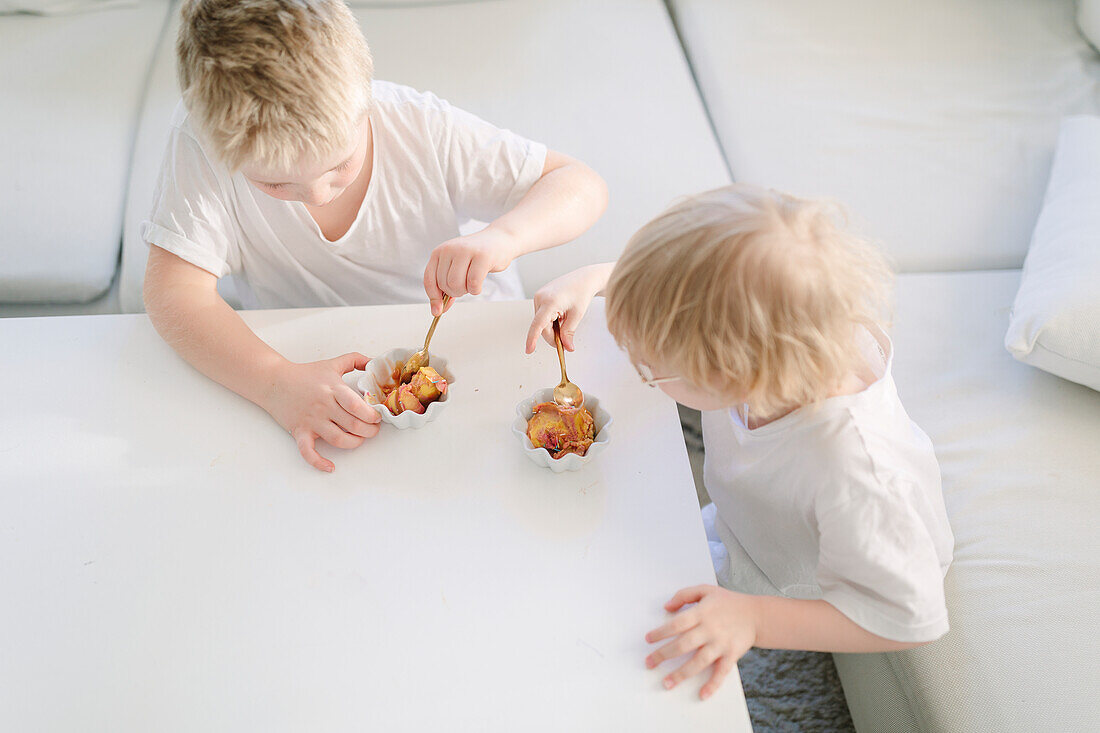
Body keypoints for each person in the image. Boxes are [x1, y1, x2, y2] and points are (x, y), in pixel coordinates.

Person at [527, 184, 953, 700]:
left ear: (732, 373)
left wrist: (753, 619)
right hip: (747, 515)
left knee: (607, 626)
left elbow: (910, 618)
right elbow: (695, 283)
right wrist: (595, 279)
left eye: (653, 370)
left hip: (799, 573)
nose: (644, 369)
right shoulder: (779, 335)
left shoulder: (854, 472)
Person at [142, 0, 607, 472]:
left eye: (340, 165)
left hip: (476, 347)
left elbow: (580, 184)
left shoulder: (420, 127)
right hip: (307, 372)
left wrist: (503, 237)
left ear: (366, 100)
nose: (317, 196)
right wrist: (275, 384)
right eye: (276, 185)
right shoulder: (201, 143)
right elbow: (172, 295)